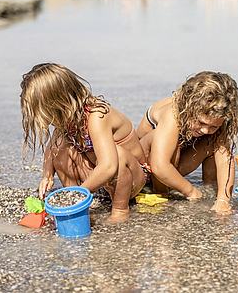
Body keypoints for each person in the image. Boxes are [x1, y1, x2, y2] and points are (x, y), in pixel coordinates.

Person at [20, 63, 149, 224]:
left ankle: (120, 210)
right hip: (100, 182)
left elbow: (109, 166)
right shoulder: (67, 118)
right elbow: (52, 145)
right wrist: (47, 175)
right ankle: (78, 206)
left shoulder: (97, 116)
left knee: (118, 155)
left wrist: (80, 192)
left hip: (130, 180)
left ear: (58, 103)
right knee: (60, 146)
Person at [137, 71, 238, 215]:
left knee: (213, 141)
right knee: (166, 142)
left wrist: (223, 199)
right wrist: (191, 191)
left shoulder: (215, 119)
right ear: (190, 107)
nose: (206, 130)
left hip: (171, 166)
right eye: (201, 122)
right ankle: (162, 193)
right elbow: (159, 166)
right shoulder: (173, 114)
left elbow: (225, 160)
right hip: (145, 170)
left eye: (213, 126)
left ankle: (210, 189)